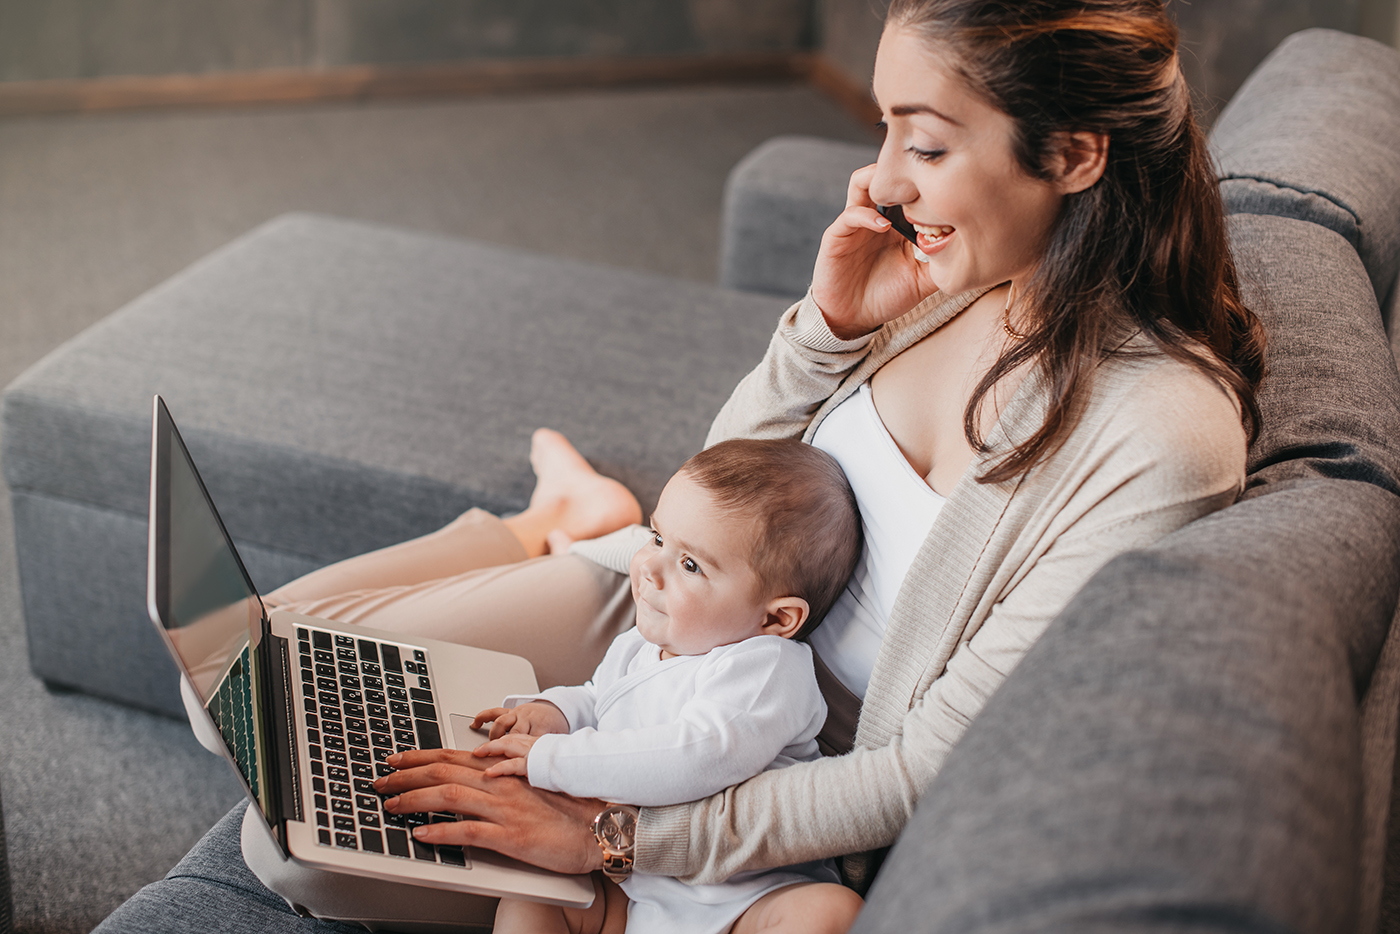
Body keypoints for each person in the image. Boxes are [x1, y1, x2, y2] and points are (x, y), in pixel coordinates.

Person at [96, 1, 1267, 931]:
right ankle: (558, 517)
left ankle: (560, 517)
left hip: (742, 747)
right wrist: (828, 327)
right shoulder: (952, 279)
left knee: (289, 854)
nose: (883, 180)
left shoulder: (1154, 436)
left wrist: (609, 836)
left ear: (1069, 154)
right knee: (235, 686)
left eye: (922, 140)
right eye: (881, 132)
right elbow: (725, 474)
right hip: (652, 610)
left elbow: (908, 771)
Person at [469, 438, 864, 934]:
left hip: (744, 899)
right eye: (657, 539)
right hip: (637, 891)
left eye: (690, 565)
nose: (649, 569)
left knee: (829, 913)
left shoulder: (766, 667)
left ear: (776, 618)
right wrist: (558, 713)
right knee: (532, 899)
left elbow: (693, 757)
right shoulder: (643, 643)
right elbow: (600, 697)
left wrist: (552, 759)